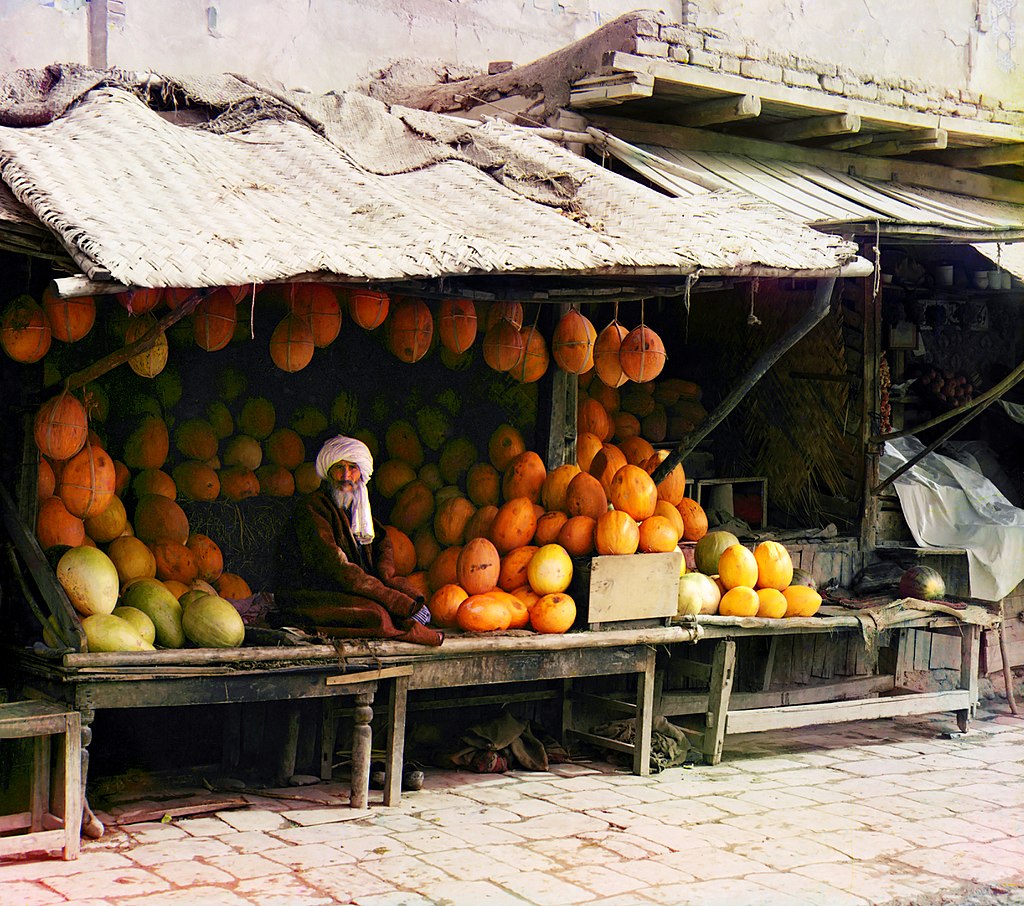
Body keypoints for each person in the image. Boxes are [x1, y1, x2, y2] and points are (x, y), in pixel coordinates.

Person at [274, 435, 442, 646]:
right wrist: (393, 600)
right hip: (314, 594)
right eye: (339, 468)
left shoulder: (360, 511)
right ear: (328, 473)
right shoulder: (313, 507)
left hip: (353, 589)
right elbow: (336, 567)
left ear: (361, 473)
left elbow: (382, 546)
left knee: (400, 603)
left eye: (352, 468)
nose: (346, 476)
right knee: (376, 615)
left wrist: (396, 590)